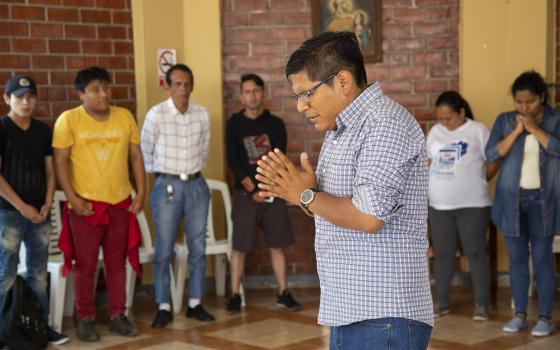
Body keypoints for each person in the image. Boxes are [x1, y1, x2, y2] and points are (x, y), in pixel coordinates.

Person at [255, 31, 433, 349]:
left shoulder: (383, 124)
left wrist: (305, 196)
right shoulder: (341, 129)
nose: (300, 106)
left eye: (306, 93)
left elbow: (367, 216)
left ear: (342, 81)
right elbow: (338, 208)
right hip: (353, 308)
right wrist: (308, 194)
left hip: (384, 314)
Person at [52, 67, 146, 342]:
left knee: (117, 263)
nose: (103, 94)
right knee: (86, 265)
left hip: (120, 203)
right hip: (86, 206)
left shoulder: (124, 116)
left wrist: (140, 193)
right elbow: (59, 162)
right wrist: (73, 199)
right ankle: (85, 319)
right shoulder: (68, 120)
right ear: (81, 93)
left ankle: (118, 315)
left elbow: (136, 158)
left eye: (106, 87)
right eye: (95, 89)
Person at [485, 70, 559, 337]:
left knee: (542, 260)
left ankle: (545, 318)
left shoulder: (555, 119)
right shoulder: (505, 121)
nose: (523, 107)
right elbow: (491, 153)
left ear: (541, 97)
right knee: (517, 260)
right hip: (511, 202)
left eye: (529, 102)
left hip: (545, 203)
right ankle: (519, 315)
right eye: (519, 102)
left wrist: (535, 130)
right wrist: (518, 130)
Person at [141, 64, 214, 328]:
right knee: (165, 247)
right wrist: (162, 181)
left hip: (196, 184)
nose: (183, 89)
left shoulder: (202, 115)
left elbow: (204, 151)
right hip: (167, 185)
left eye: (187, 84)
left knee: (197, 246)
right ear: (168, 86)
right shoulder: (156, 114)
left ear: (192, 86)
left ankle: (195, 302)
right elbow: (146, 152)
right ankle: (163, 305)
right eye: (178, 84)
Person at [0, 76, 69, 346]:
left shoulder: (43, 130)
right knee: (6, 273)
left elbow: (50, 170)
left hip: (39, 213)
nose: (26, 102)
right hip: (9, 213)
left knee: (39, 275)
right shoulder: (2, 128)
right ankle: (4, 332)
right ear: (7, 99)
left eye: (30, 97)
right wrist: (23, 207)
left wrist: (48, 201)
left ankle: (41, 328)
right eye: (19, 97)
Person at [225, 73, 300, 314]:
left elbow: (280, 158)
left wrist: (265, 189)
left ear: (263, 93)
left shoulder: (275, 125)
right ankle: (235, 294)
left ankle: (283, 292)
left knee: (278, 245)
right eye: (247, 92)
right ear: (241, 96)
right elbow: (233, 160)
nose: (252, 95)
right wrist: (252, 189)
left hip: (272, 193)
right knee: (239, 246)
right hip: (245, 195)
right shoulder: (234, 124)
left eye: (256, 91)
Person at [427, 91, 498, 321]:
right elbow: (429, 162)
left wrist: (477, 180)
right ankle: (442, 303)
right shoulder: (436, 132)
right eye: (440, 118)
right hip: (439, 205)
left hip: (473, 204)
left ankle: (482, 304)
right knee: (444, 255)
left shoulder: (478, 130)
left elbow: (494, 160)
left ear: (461, 112)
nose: (444, 123)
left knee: (476, 253)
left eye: (448, 117)